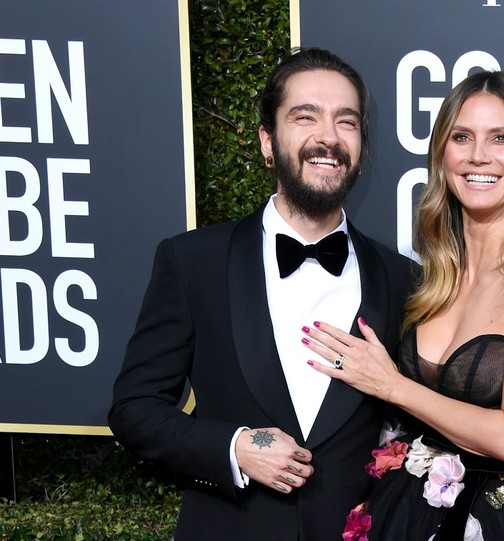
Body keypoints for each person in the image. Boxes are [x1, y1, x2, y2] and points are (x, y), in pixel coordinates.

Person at [108, 48, 415, 540]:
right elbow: (135, 408)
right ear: (267, 142)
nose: (328, 137)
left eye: (347, 121)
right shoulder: (193, 262)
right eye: (304, 117)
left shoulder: (401, 279)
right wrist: (233, 447)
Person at [303, 70, 504, 540]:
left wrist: (392, 385)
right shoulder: (439, 264)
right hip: (409, 507)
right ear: (443, 153)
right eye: (461, 137)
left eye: (500, 138)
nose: (478, 156)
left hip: (498, 519)